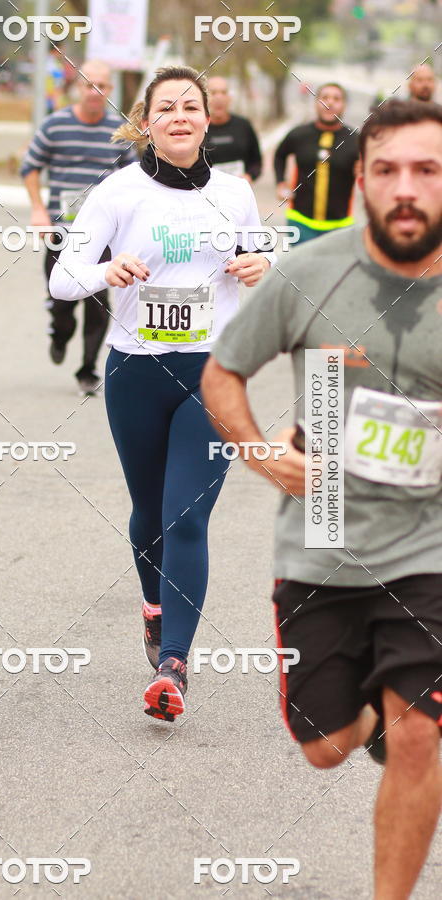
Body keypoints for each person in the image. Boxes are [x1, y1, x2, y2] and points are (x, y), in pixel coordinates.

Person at [202, 99, 442, 900]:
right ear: (360, 179)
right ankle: (372, 710)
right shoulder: (309, 273)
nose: (406, 188)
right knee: (327, 747)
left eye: (428, 170)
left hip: (431, 548)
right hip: (324, 542)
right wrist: (261, 453)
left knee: (420, 737)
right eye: (388, 170)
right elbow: (223, 373)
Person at [49, 65, 272, 720]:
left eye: (190, 106)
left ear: (207, 119)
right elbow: (63, 277)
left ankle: (173, 665)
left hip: (215, 373)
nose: (179, 115)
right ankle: (154, 606)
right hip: (137, 373)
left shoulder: (234, 193)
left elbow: (268, 257)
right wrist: (105, 269)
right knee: (149, 515)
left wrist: (263, 263)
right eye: (166, 107)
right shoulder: (118, 192)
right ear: (147, 122)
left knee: (186, 517)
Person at [20, 60, 137, 396]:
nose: (95, 91)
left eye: (102, 85)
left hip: (103, 236)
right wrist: (38, 209)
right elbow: (30, 167)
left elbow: (133, 179)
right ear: (78, 87)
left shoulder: (119, 131)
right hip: (62, 232)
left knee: (98, 303)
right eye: (89, 84)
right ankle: (60, 333)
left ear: (110, 90)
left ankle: (87, 370)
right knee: (61, 301)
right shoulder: (55, 125)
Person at [274, 83, 359, 243]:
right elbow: (279, 156)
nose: (330, 103)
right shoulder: (299, 134)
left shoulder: (355, 140)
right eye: (324, 98)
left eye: (336, 99)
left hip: (340, 226)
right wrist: (280, 183)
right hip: (300, 222)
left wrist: (363, 173)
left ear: (344, 105)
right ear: (316, 103)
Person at [205, 76, 262, 181]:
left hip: (239, 187)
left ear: (229, 97)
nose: (219, 98)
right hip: (207, 188)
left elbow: (256, 161)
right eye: (213, 93)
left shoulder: (243, 125)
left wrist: (249, 176)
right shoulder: (198, 128)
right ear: (204, 98)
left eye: (224, 92)